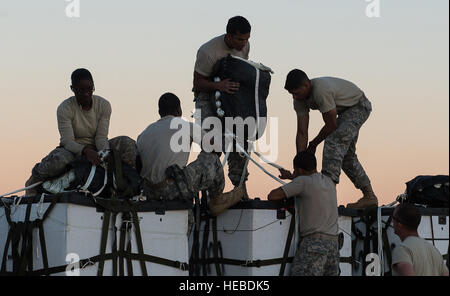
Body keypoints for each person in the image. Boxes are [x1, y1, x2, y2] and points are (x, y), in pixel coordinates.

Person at [25, 68, 136, 196]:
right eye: (81, 90)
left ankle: (129, 186)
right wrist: (86, 151)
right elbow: (67, 141)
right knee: (59, 160)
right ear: (73, 89)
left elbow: (101, 137)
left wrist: (104, 152)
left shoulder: (104, 105)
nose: (86, 93)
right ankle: (34, 181)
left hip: (97, 146)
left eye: (90, 89)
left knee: (127, 143)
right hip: (73, 149)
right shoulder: (65, 108)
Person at [283, 69, 377, 209]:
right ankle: (370, 197)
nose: (294, 97)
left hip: (358, 106)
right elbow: (302, 132)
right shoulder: (299, 100)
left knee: (333, 142)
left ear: (307, 85)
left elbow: (332, 125)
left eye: (296, 93)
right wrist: (299, 167)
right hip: (344, 112)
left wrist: (313, 145)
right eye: (291, 94)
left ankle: (325, 198)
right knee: (346, 157)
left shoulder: (320, 91)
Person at [137, 92, 243, 216]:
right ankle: (216, 199)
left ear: (160, 112)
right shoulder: (185, 126)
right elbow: (216, 149)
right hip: (174, 190)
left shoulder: (144, 134)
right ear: (179, 110)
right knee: (211, 157)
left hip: (149, 193)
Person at [192, 16, 251, 199]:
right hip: (206, 97)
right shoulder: (208, 51)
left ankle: (241, 191)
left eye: (247, 39)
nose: (244, 44)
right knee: (212, 147)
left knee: (239, 145)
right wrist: (218, 86)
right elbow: (197, 83)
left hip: (230, 98)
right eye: (240, 39)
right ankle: (209, 195)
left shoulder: (245, 46)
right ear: (229, 36)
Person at [268, 151, 339, 276]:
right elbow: (310, 183)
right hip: (333, 246)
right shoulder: (329, 182)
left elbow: (273, 196)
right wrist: (293, 177)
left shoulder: (302, 182)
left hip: (314, 244)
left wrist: (294, 179)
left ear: (299, 170)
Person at [391, 203, 449, 276]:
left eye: (392, 218)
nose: (392, 221)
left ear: (399, 224)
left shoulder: (402, 250)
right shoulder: (434, 250)